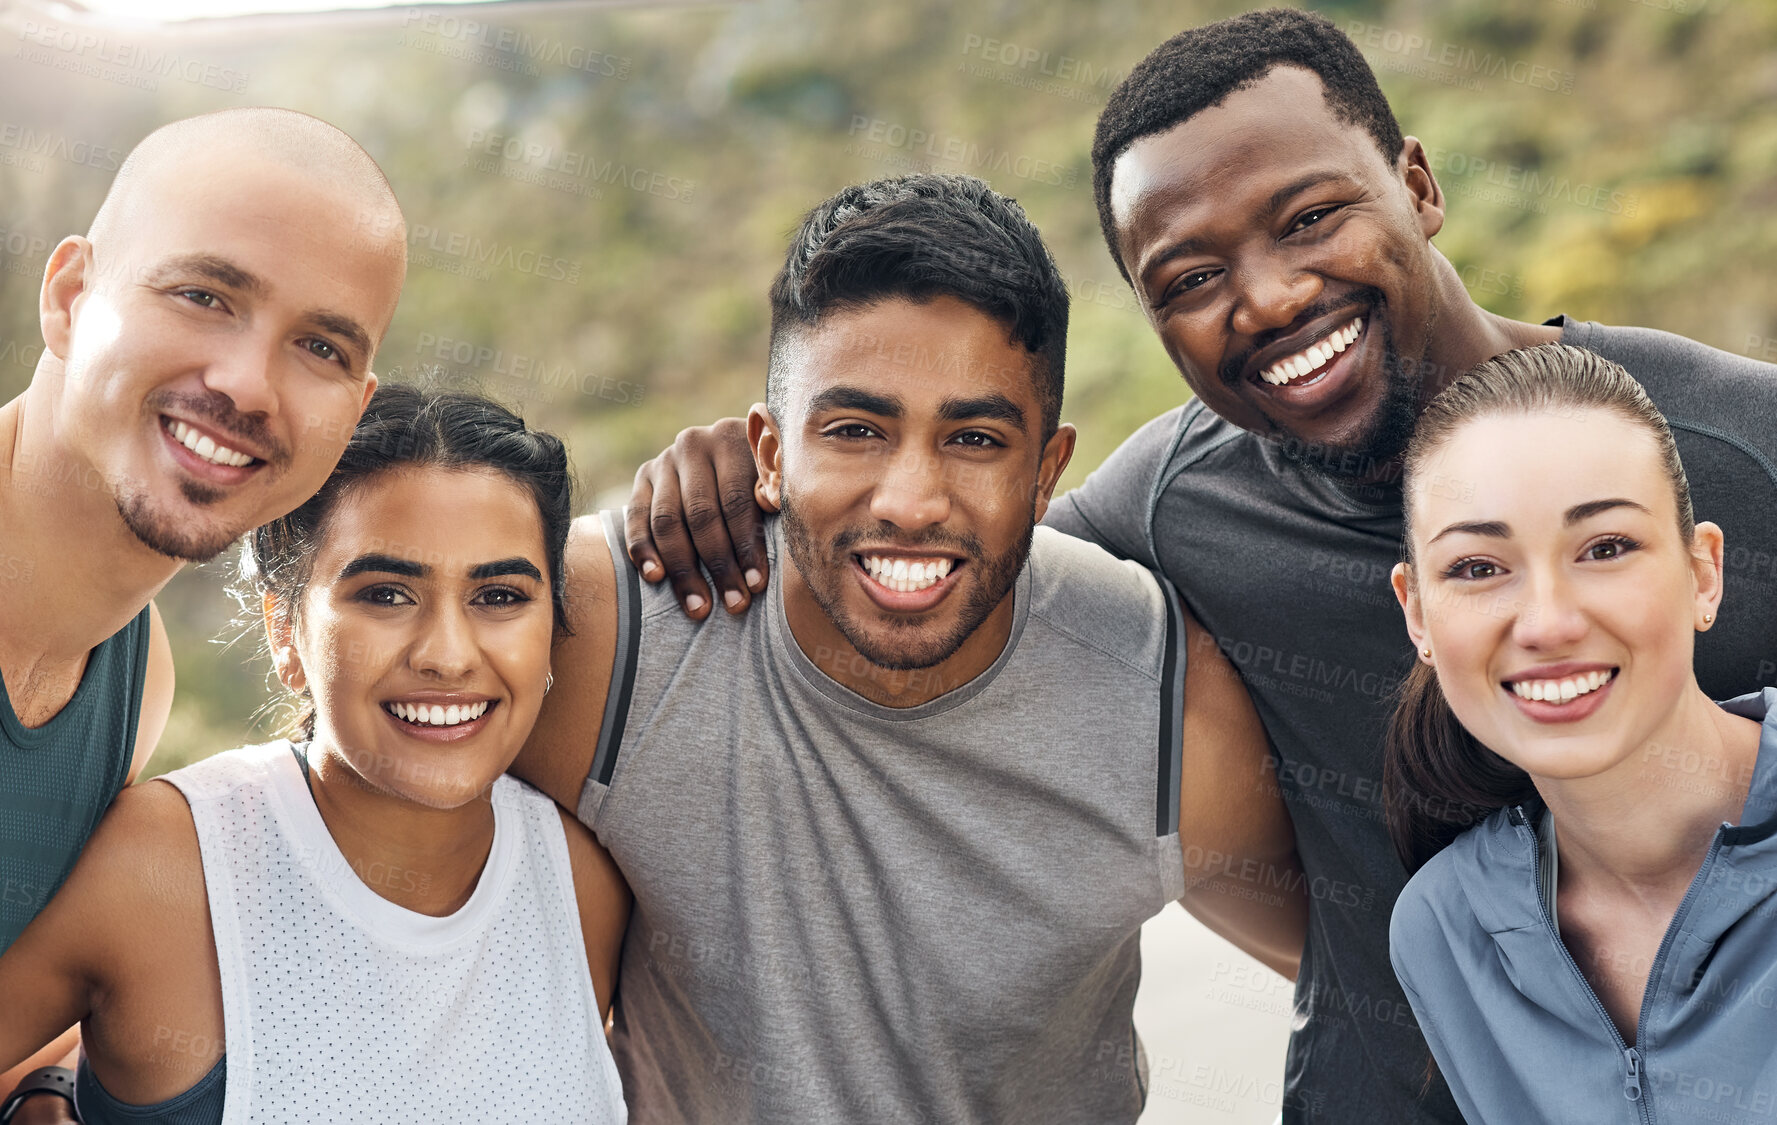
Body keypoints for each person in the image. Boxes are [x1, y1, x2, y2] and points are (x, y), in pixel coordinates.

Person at [619, 10, 1777, 1122]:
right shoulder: (1170, 508)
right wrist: (743, 473)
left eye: (1311, 217)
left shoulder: (1736, 449)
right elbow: (945, 551)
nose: (1268, 298)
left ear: (1417, 187)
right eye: (1188, 279)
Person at [509, 171, 1305, 1123]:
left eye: (973, 438)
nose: (909, 501)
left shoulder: (1160, 700)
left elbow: (1376, 980)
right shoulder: (607, 632)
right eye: (853, 429)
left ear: (1048, 469)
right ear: (766, 450)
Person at [0, 384, 631, 1124]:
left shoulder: (584, 882)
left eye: (498, 597)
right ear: (284, 629)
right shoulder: (168, 863)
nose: (448, 656)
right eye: (386, 594)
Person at [0, 106, 406, 1116]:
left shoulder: (134, 679)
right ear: (70, 295)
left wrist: (43, 1089)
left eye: (318, 346)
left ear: (352, 415)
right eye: (203, 295)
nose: (246, 385)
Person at [1384, 343, 1776, 1123]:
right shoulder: (1442, 927)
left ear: (1703, 573)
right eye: (1476, 567)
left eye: (1605, 548)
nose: (1549, 622)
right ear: (1417, 614)